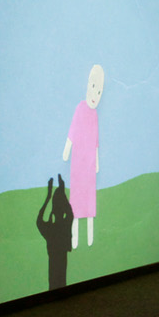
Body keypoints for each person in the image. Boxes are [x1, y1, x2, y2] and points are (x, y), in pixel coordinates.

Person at [62, 64, 104, 249]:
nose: (95, 95)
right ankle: (75, 238)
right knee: (77, 199)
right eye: (94, 88)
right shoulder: (80, 108)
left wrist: (97, 159)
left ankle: (90, 237)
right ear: (88, 85)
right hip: (78, 162)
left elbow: (96, 139)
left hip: (90, 164)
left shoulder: (95, 115)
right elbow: (73, 130)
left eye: (99, 91)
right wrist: (67, 149)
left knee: (89, 199)